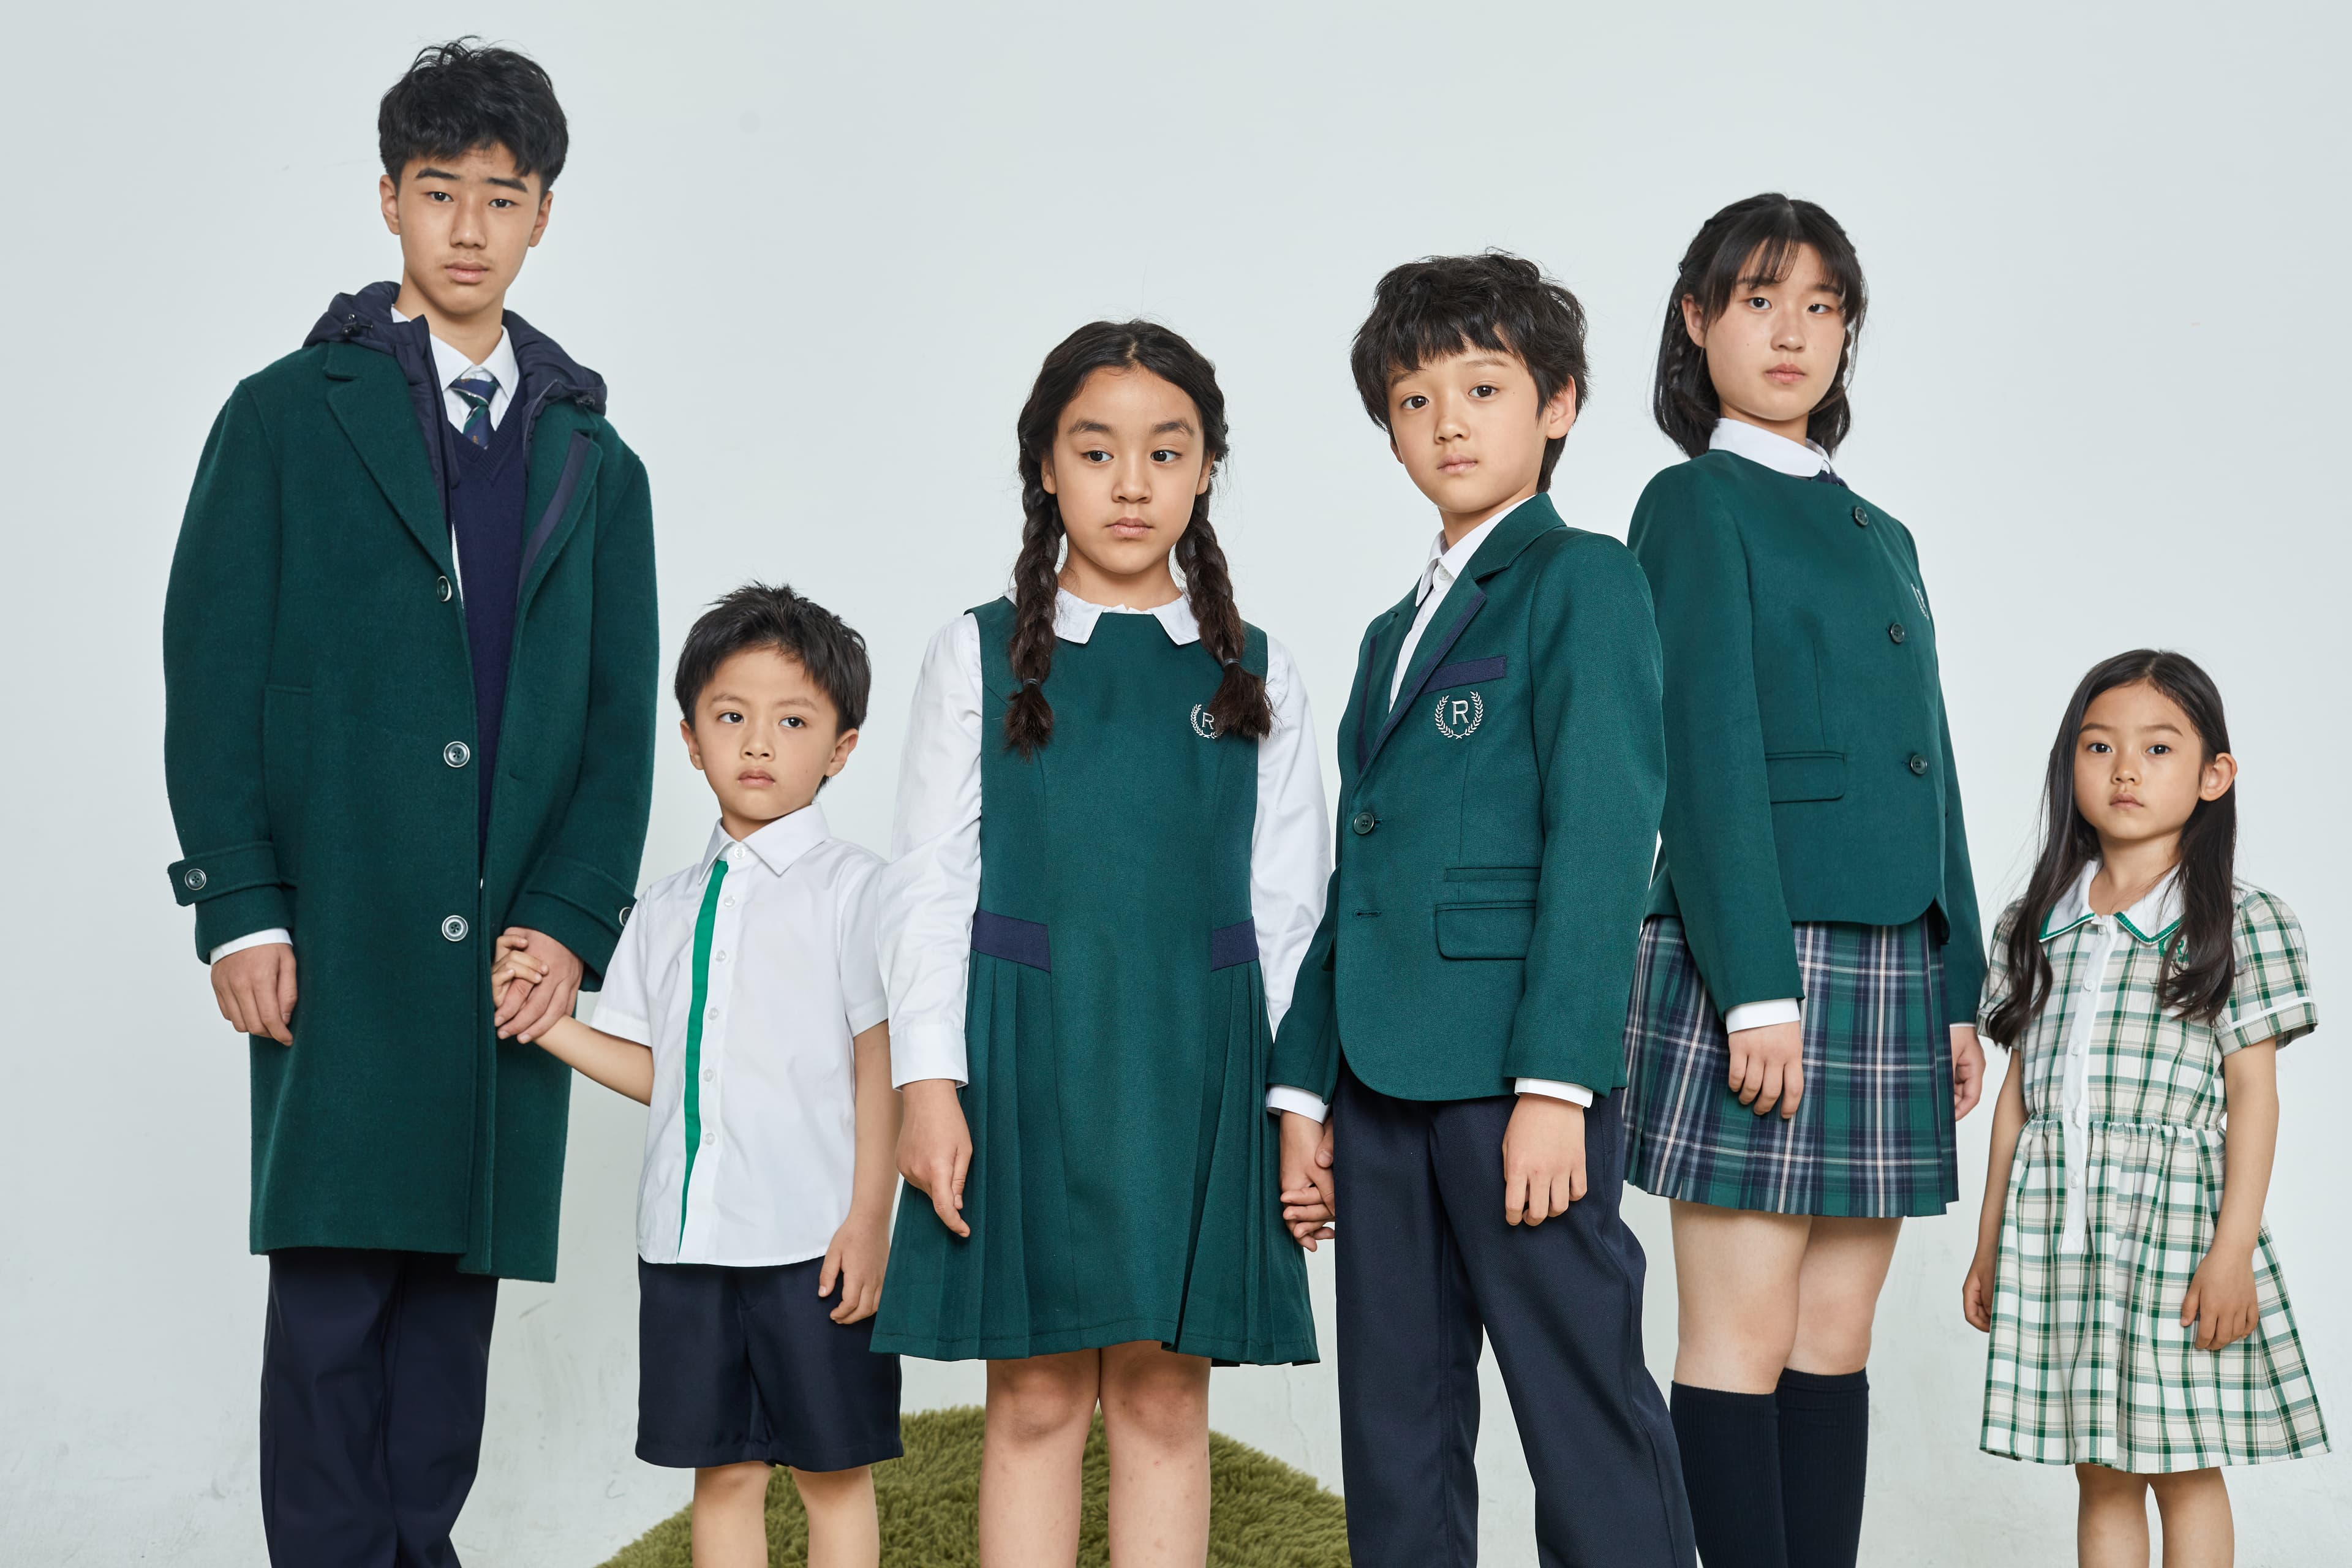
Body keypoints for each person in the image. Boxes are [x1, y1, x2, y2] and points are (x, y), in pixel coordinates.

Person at [159, 39, 657, 1566]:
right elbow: (213, 662)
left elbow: (617, 722)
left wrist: (570, 926)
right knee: (327, 1310)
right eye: (436, 192)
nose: (465, 228)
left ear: (542, 218)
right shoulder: (285, 416)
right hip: (343, 925)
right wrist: (241, 901)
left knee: (453, 1320)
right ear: (388, 199)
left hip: (504, 957)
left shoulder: (594, 457)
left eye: (499, 199)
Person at [873, 320, 1325, 1567]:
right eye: (1097, 449)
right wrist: (929, 1081)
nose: (1131, 483)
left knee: (1168, 1396)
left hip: (1198, 1056)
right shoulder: (972, 655)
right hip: (1028, 1053)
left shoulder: (1260, 674)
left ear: (1203, 470)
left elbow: (1292, 910)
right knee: (1031, 1398)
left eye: (1165, 452)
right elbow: (928, 883)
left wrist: (1299, 1102)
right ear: (1045, 468)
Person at [1272, 252, 1693, 1567]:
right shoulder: (1388, 634)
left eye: (1484, 384)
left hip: (1520, 1082)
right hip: (1379, 1086)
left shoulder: (1586, 580)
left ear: (1558, 404)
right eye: (1413, 397)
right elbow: (1363, 870)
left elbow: (1604, 840)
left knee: (1581, 1411)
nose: (1447, 420)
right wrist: (1303, 1094)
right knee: (1395, 1429)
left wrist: (1559, 1082)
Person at [1615, 192, 1987, 1568]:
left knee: (1835, 1336)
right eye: (1759, 298)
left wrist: (1958, 982)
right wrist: (1752, 984)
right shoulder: (1691, 502)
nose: (1792, 330)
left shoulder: (1881, 529)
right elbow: (1699, 759)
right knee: (1741, 1332)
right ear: (1699, 319)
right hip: (1761, 961)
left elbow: (1926, 762)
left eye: (1821, 304)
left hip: (1894, 958)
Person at [492, 585, 902, 1568]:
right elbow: (655, 1070)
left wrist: (868, 1222)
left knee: (831, 1473)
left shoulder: (859, 891)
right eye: (731, 717)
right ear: (689, 737)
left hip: (814, 1239)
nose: (758, 744)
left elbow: (880, 1068)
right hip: (685, 1246)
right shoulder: (664, 909)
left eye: (793, 721)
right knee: (721, 1475)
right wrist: (545, 1023)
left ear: (841, 747)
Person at [1963, 650, 2326, 1568]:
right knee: (2102, 1465)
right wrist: (1990, 1238)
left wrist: (2232, 1249)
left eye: (2158, 748)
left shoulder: (2241, 922)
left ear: (2214, 775)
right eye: (2100, 746)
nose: (2125, 769)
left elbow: (2254, 1097)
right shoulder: (2032, 921)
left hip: (2173, 1226)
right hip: (2060, 1223)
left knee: (2184, 1459)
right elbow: (2019, 1100)